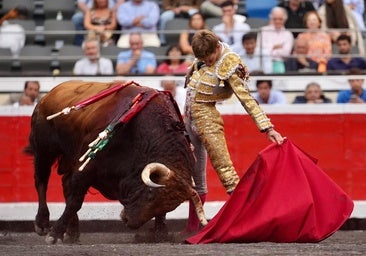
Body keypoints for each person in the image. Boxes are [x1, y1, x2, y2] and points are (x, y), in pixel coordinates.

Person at [183, 29, 284, 233]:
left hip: (208, 119)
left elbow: (246, 98)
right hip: (188, 118)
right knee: (195, 175)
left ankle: (252, 221)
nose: (206, 62)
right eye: (202, 58)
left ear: (217, 48)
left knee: (225, 170)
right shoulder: (204, 56)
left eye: (208, 57)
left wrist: (268, 128)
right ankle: (193, 226)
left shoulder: (230, 64)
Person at [258, 6, 294, 74]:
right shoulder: (263, 31)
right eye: (275, 19)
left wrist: (269, 49)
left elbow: (286, 53)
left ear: (285, 19)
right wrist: (275, 47)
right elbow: (259, 49)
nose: (277, 21)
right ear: (271, 18)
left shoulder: (288, 34)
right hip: (263, 62)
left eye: (280, 19)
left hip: (279, 62)